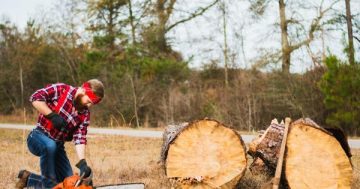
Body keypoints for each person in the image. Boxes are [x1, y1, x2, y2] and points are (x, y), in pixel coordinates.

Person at [15, 79, 104, 189]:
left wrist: (82, 163)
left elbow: (80, 137)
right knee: (49, 146)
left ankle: (28, 179)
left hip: (58, 147)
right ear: (83, 90)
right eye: (89, 101)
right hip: (38, 136)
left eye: (92, 103)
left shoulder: (84, 114)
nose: (89, 105)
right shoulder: (61, 90)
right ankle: (49, 187)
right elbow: (35, 97)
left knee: (69, 184)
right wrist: (52, 115)